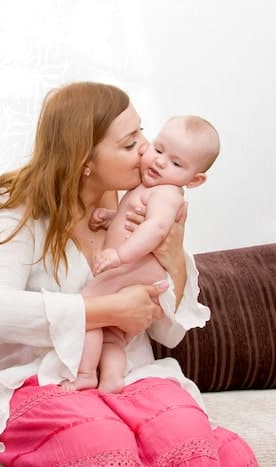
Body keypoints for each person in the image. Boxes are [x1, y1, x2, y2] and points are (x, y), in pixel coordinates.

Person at [0, 82, 256, 466]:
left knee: (186, 440)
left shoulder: (144, 204)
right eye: (130, 143)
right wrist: (107, 309)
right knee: (102, 444)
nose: (147, 149)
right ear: (85, 159)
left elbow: (168, 332)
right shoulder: (20, 209)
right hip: (38, 376)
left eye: (142, 132)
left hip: (126, 374)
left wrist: (172, 256)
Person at [62, 115, 221, 393]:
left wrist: (119, 256)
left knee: (85, 307)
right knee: (112, 334)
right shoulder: (147, 189)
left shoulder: (168, 193)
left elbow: (155, 230)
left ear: (194, 180)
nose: (159, 161)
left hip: (138, 267)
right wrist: (112, 218)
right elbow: (133, 220)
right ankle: (112, 378)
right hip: (136, 267)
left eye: (175, 162)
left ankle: (86, 373)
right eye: (158, 149)